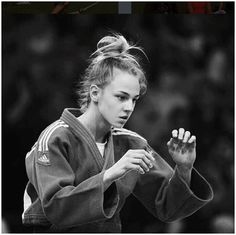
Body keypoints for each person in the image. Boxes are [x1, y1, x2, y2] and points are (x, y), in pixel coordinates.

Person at [22, 33, 213, 233]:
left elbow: (169, 208)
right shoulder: (55, 137)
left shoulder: (131, 144)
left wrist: (183, 169)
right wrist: (112, 173)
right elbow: (56, 209)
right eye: (121, 97)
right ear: (95, 93)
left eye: (134, 99)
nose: (129, 107)